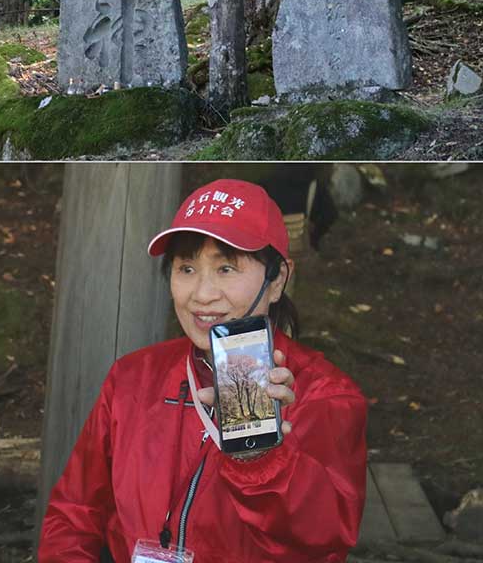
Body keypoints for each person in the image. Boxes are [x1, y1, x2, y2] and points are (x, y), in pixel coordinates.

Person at [38, 179, 368, 563]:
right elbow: (74, 512)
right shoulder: (133, 378)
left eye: (226, 267)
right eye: (187, 267)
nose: (202, 294)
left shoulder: (325, 396)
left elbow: (323, 541)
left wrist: (261, 460)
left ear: (276, 279)